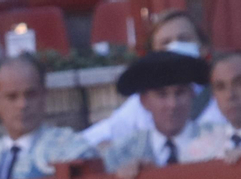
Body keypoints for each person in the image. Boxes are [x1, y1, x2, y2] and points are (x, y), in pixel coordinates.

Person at [82, 10, 222, 148]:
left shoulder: (222, 92)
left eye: (183, 39)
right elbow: (89, 140)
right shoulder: (140, 104)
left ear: (203, 47)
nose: (174, 47)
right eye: (165, 43)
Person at [103, 49, 217, 179]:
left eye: (180, 93)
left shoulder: (220, 140)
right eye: (162, 95)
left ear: (192, 94)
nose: (172, 104)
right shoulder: (121, 154)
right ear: (144, 101)